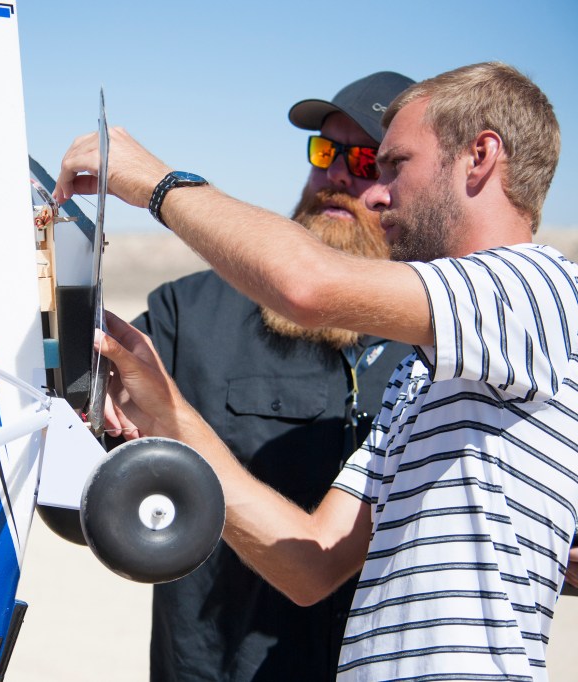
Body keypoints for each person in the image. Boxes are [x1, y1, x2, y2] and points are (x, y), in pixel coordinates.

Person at [56, 62, 576, 680]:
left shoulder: (536, 287)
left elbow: (306, 284)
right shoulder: (426, 375)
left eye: (393, 164)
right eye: (340, 156)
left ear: (480, 157)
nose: (378, 192)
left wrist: (158, 184)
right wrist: (168, 413)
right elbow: (312, 562)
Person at [137, 72, 413, 682]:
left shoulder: (445, 350)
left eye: (365, 158)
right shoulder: (190, 314)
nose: (336, 175)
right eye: (325, 152)